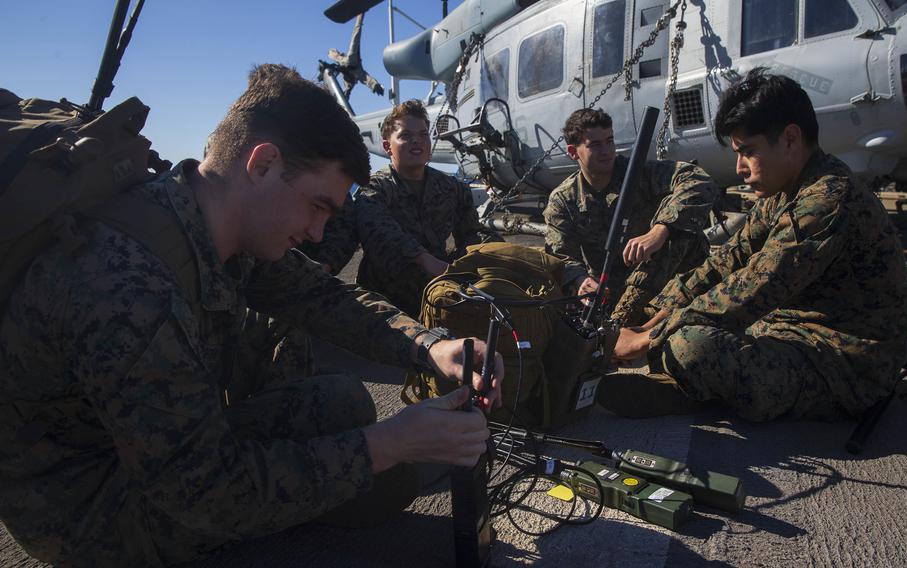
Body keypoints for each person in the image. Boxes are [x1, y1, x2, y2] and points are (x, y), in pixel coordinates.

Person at [0, 64, 503, 567]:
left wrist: (434, 346)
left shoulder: (205, 219)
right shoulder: (128, 284)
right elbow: (207, 492)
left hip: (141, 451)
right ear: (262, 165)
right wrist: (390, 445)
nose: (317, 232)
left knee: (341, 402)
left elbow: (327, 297)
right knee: (358, 463)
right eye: (317, 206)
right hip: (87, 512)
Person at [608, 68, 907, 421]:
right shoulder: (786, 190)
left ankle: (695, 391)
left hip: (845, 360)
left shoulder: (828, 200)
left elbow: (754, 286)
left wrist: (647, 338)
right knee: (678, 335)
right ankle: (696, 385)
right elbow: (728, 261)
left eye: (747, 152)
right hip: (788, 327)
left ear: (791, 139)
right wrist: (651, 314)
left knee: (689, 345)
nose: (740, 168)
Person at [543, 108, 719, 326]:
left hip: (663, 272)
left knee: (680, 232)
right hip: (611, 288)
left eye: (609, 141)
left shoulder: (637, 172)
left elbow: (696, 178)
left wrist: (661, 229)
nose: (606, 150)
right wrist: (580, 280)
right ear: (573, 151)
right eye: (595, 145)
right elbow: (560, 257)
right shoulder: (564, 200)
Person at [354, 99, 500, 318]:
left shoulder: (451, 188)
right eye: (405, 135)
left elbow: (471, 234)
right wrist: (426, 260)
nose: (417, 141)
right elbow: (380, 234)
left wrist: (494, 254)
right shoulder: (376, 189)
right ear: (387, 147)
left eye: (423, 134)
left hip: (440, 294)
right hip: (387, 304)